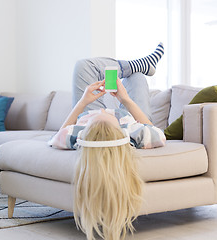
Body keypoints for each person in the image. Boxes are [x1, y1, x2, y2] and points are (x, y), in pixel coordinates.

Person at [48, 43, 166, 240]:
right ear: (119, 132)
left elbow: (55, 138)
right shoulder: (132, 133)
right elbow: (156, 132)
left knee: (83, 66)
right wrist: (126, 101)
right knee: (136, 76)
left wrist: (82, 103)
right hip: (130, 115)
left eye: (97, 120)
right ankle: (143, 65)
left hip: (90, 108)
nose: (105, 113)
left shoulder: (79, 133)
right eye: (107, 119)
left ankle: (143, 64)